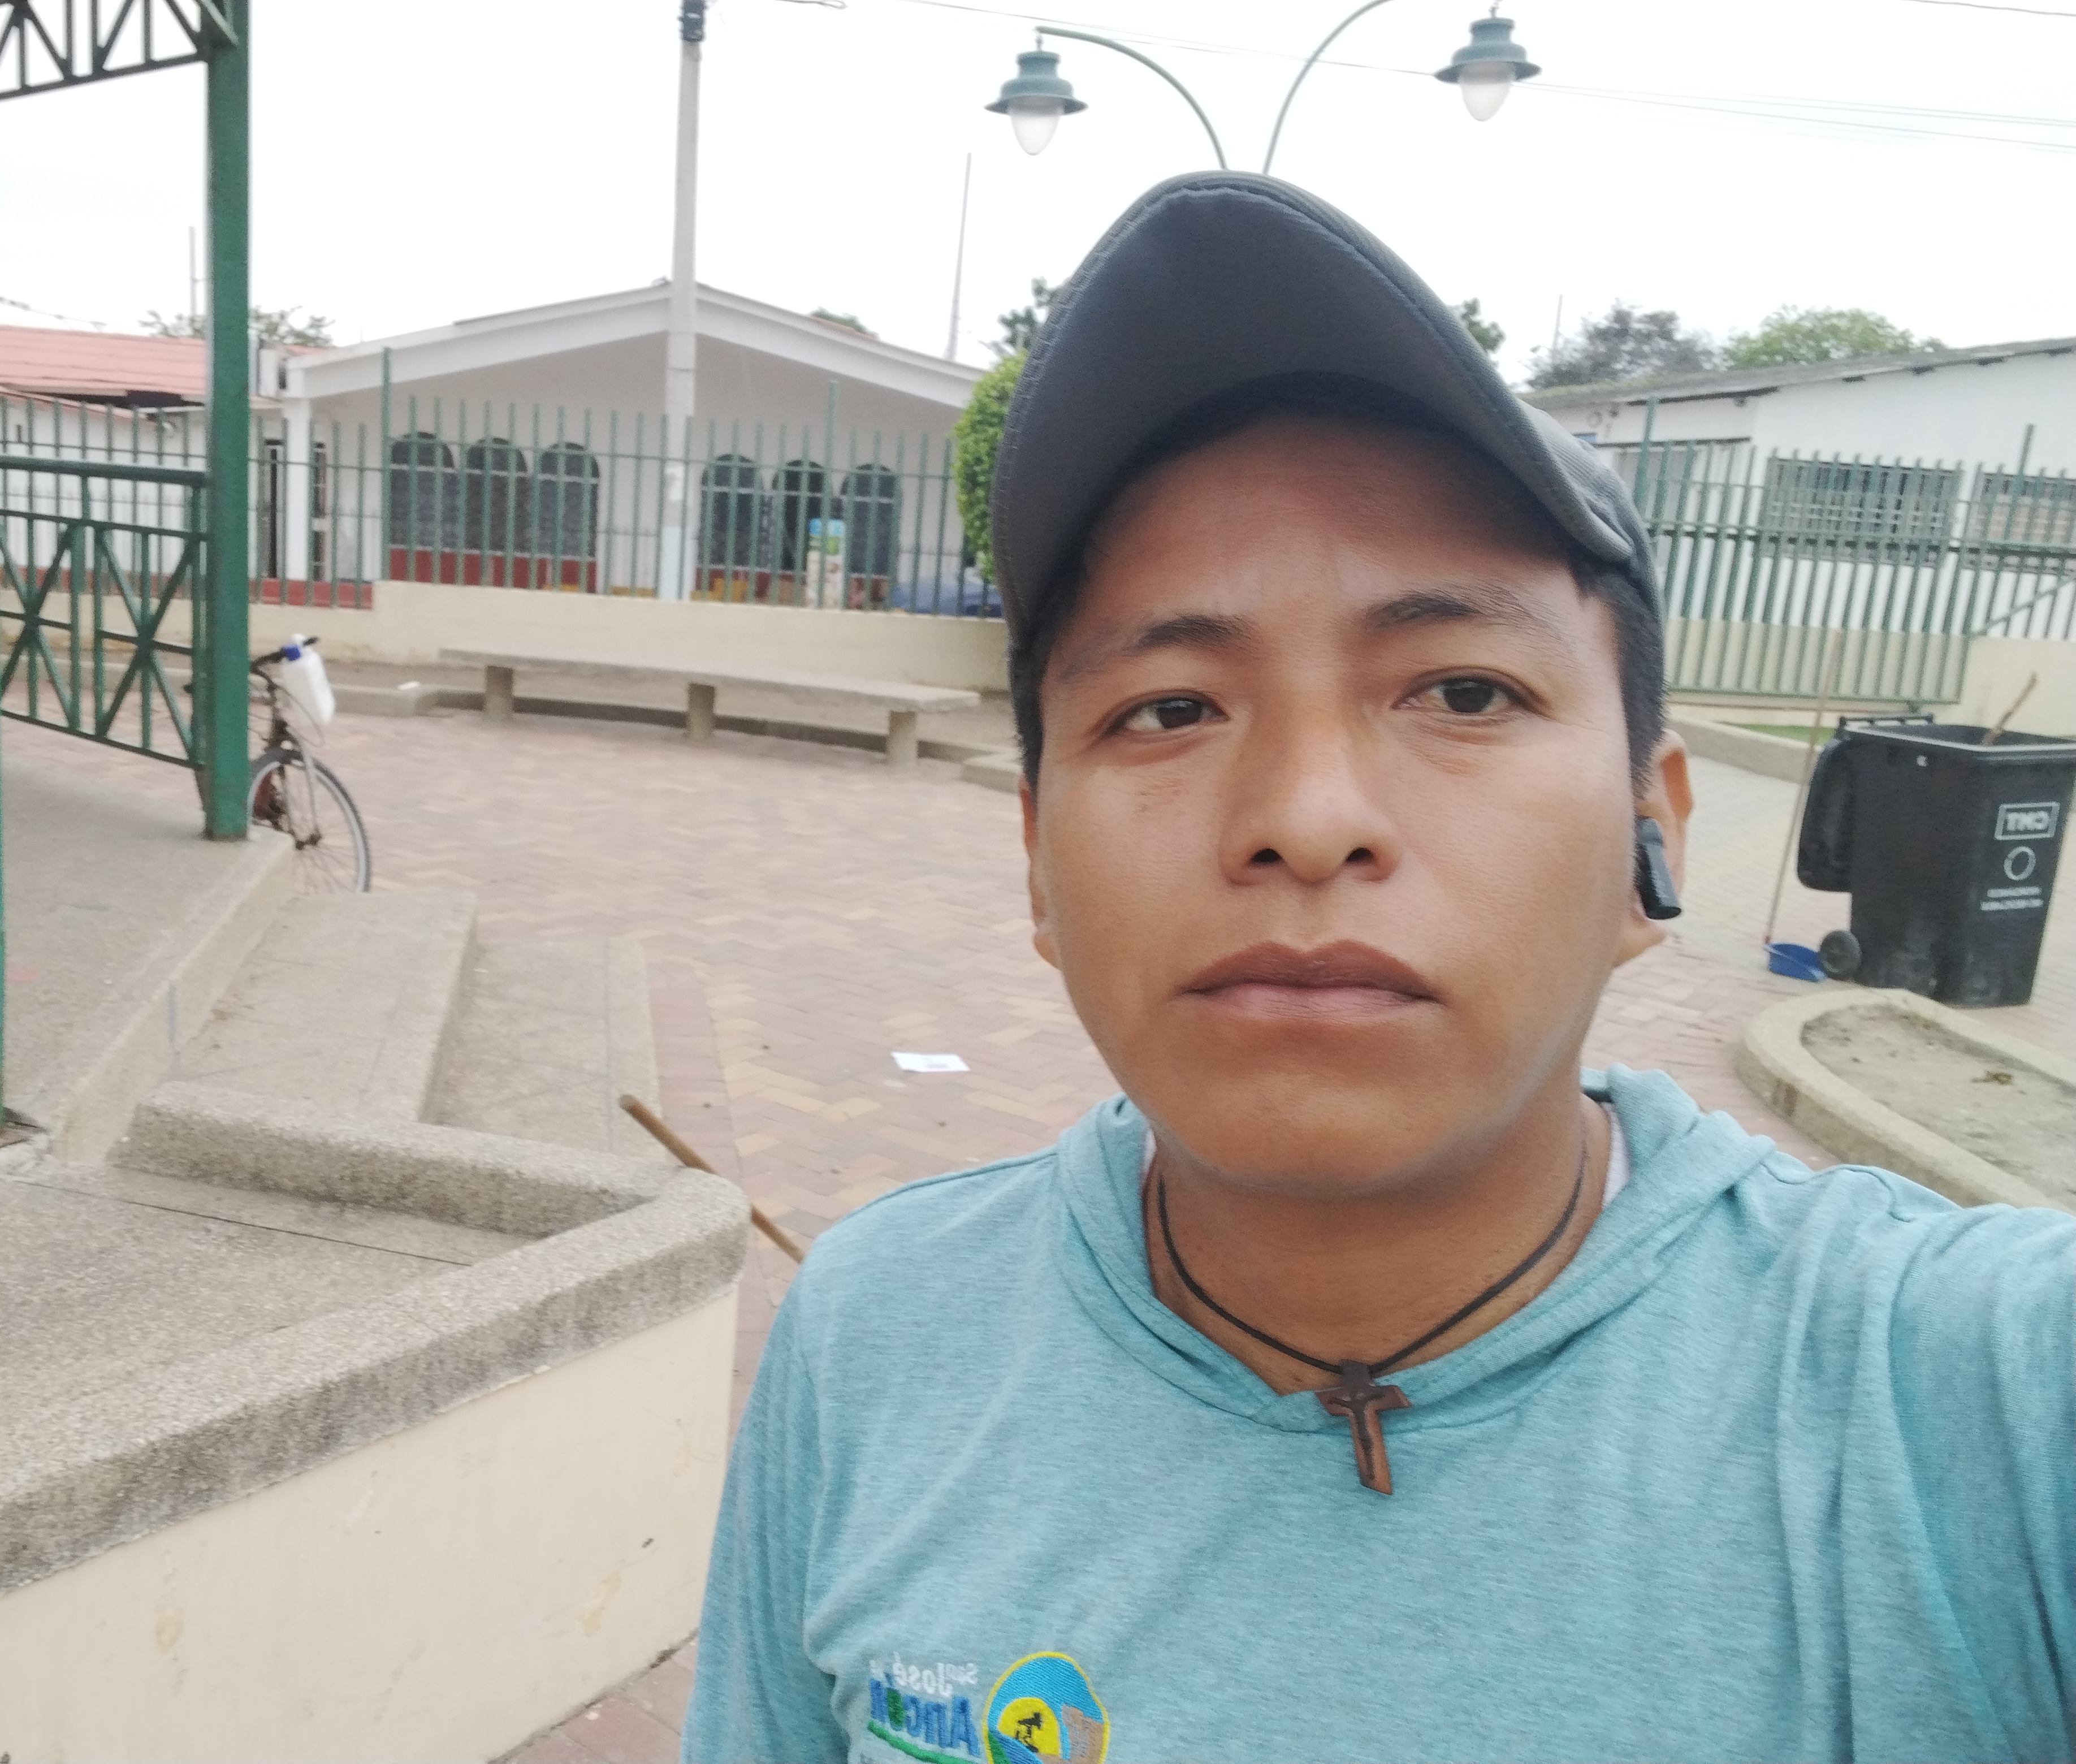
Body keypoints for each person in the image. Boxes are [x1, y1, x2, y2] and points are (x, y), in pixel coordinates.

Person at [680, 174, 2073, 1764]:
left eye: (1463, 692)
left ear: (1652, 839)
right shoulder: (876, 1336)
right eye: (1169, 708)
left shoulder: (1970, 1395)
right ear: (1038, 862)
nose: (1306, 816)